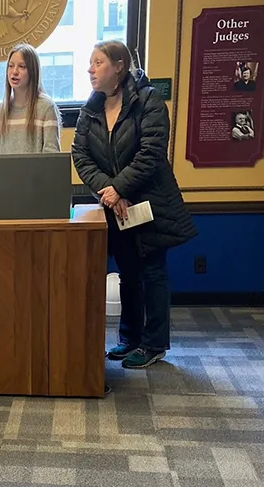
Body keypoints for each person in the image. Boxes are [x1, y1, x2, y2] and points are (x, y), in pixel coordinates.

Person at [71, 40, 197, 369]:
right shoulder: (91, 108)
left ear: (119, 66)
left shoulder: (149, 101)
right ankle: (129, 339)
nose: (90, 69)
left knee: (152, 272)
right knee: (127, 273)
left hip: (150, 203)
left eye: (97, 62)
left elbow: (151, 153)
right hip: (117, 207)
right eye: (90, 63)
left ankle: (154, 344)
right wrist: (109, 190)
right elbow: (80, 156)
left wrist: (119, 187)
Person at [0, 43, 61, 155]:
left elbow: (52, 156)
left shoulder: (47, 108)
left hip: (37, 173)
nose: (14, 71)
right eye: (11, 66)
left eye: (22, 66)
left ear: (33, 71)